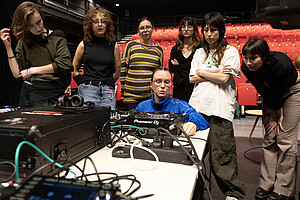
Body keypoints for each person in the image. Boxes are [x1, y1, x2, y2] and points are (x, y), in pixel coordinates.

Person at [189, 11, 245, 199]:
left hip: (220, 109)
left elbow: (224, 78)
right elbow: (191, 78)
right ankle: (194, 192)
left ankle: (234, 194)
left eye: (213, 30)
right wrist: (216, 72)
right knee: (193, 154)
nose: (209, 34)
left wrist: (203, 72)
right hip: (198, 107)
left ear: (221, 31)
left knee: (222, 156)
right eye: (205, 30)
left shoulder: (230, 52)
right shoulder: (199, 52)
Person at [242, 38, 300, 200]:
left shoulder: (281, 64)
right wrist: (273, 115)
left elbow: (278, 92)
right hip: (270, 95)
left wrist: (277, 115)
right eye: (245, 58)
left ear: (264, 57)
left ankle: (284, 189)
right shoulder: (246, 68)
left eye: (253, 58)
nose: (248, 62)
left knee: (285, 141)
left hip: (292, 92)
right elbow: (264, 90)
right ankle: (266, 183)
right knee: (269, 139)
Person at [0, 1, 72, 108]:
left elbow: (64, 65)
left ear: (42, 17)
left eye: (39, 22)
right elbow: (16, 73)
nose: (37, 28)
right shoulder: (24, 42)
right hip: (30, 93)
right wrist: (8, 47)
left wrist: (32, 70)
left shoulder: (57, 36)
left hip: (53, 92)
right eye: (31, 26)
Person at [72, 6, 121, 110]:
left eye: (103, 21)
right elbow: (74, 70)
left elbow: (117, 72)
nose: (100, 24)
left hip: (108, 91)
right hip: (87, 89)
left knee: (108, 122)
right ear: (90, 25)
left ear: (107, 25)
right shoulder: (83, 45)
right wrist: (82, 82)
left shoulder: (113, 45)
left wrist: (107, 82)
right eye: (95, 21)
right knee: (88, 123)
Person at [136, 68, 209, 136]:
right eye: (158, 82)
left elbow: (202, 120)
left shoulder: (180, 105)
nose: (162, 86)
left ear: (171, 85)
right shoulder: (142, 106)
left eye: (167, 82)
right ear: (151, 84)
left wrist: (194, 123)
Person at [120, 17, 163, 111]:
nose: (145, 30)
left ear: (152, 29)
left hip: (149, 97)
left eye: (148, 27)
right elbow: (123, 69)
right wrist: (123, 91)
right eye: (142, 28)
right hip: (130, 96)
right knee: (131, 125)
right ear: (138, 31)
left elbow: (159, 74)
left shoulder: (158, 50)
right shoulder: (130, 46)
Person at [169, 16, 201, 102]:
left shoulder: (200, 49)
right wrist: (189, 67)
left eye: (189, 26)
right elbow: (171, 68)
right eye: (183, 27)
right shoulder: (175, 49)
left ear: (194, 29)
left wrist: (180, 67)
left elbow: (200, 69)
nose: (186, 29)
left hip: (195, 87)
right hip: (179, 88)